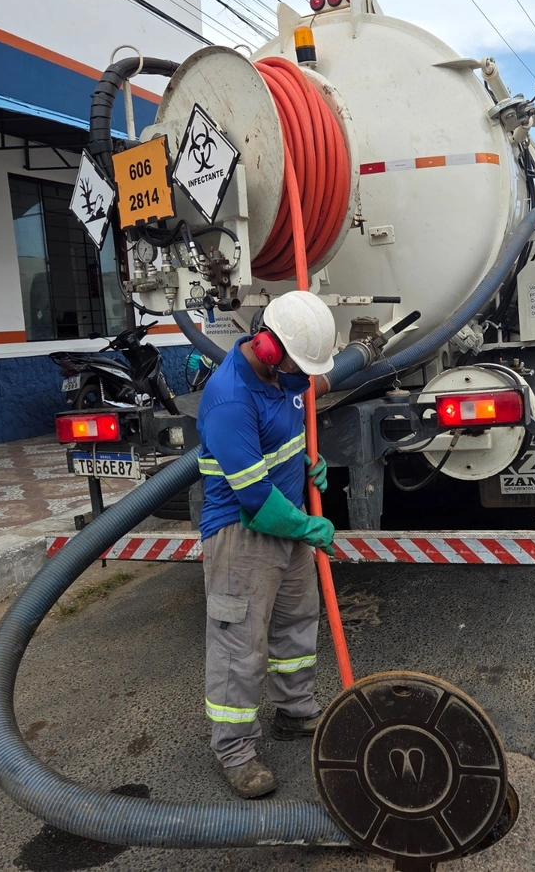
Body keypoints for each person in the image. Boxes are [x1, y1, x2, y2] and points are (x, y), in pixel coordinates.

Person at [196, 290, 338, 798]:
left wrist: (305, 465)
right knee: (241, 646)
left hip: (289, 519)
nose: (301, 377)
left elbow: (288, 433)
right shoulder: (230, 398)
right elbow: (255, 498)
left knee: (297, 623)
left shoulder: (288, 374)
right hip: (243, 534)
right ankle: (235, 751)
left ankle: (295, 712)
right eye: (294, 365)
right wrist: (306, 527)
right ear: (267, 346)